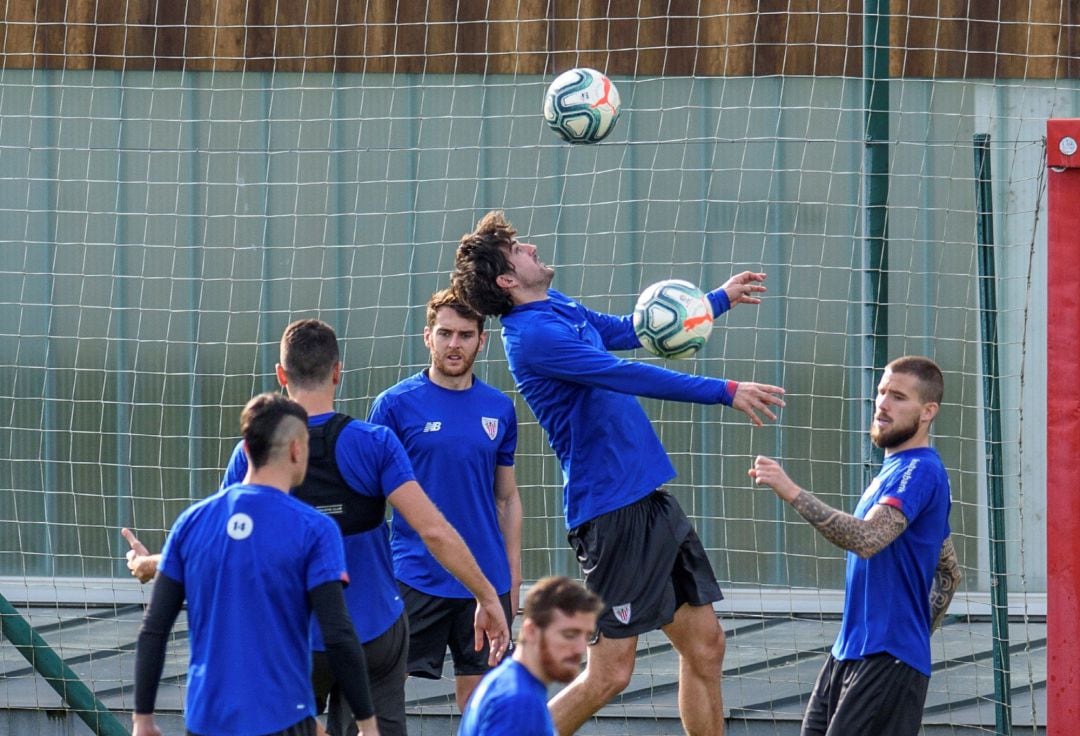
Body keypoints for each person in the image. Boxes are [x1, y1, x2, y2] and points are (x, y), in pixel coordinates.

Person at [450, 210, 787, 736]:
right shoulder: (532, 336)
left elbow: (633, 332)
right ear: (507, 280)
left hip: (647, 497)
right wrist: (725, 391)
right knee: (611, 674)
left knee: (707, 646)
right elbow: (623, 372)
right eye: (518, 249)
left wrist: (715, 301)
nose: (531, 246)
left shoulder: (556, 307)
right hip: (611, 512)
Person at [125, 319, 510, 736]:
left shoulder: (251, 451)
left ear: (280, 375)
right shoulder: (374, 443)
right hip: (371, 633)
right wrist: (486, 595)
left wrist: (152, 564)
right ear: (337, 371)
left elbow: (222, 540)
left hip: (291, 643)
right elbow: (434, 531)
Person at [131, 393, 378, 736]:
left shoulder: (191, 522)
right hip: (282, 719)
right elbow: (338, 634)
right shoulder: (315, 529)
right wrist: (368, 723)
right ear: (297, 449)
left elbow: (154, 628)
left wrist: (142, 719)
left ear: (246, 450)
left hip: (206, 720)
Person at [749, 355, 962, 736]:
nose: (882, 404)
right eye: (881, 392)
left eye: (898, 397)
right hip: (848, 654)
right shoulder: (892, 473)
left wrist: (790, 491)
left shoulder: (920, 469)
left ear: (928, 411)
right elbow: (949, 571)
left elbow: (867, 539)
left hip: (887, 658)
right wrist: (914, 631)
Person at [369, 288, 521, 711]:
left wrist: (512, 579)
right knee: (379, 694)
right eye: (445, 333)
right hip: (415, 576)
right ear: (427, 337)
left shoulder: (500, 409)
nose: (454, 344)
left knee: (483, 706)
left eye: (466, 335)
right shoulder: (393, 407)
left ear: (481, 340)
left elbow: (506, 499)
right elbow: (368, 501)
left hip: (485, 584)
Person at [458, 576, 603, 736]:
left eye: (587, 636)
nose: (580, 648)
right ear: (531, 631)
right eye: (569, 634)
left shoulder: (507, 681)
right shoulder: (518, 702)